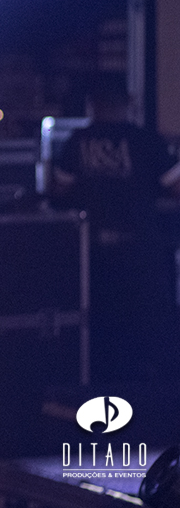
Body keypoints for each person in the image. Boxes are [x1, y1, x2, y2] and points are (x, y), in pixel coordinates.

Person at [53, 73, 180, 383]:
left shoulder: (77, 141)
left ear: (92, 104)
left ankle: (98, 382)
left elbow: (59, 191)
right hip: (140, 253)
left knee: (98, 326)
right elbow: (175, 185)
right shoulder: (145, 140)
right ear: (128, 102)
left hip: (92, 254)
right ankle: (144, 388)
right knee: (143, 327)